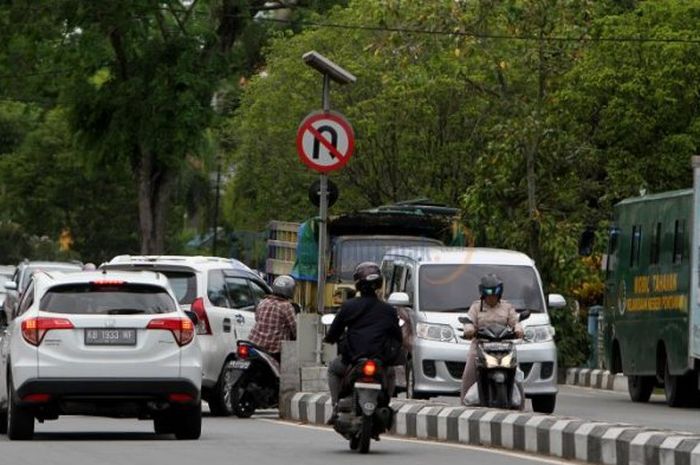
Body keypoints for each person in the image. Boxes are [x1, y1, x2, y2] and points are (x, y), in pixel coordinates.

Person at [324, 262, 403, 416]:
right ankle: (387, 403)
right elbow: (397, 337)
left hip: (353, 359)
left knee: (333, 370)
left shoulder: (349, 306)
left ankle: (335, 406)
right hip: (380, 360)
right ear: (379, 284)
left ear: (358, 284)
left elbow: (334, 332)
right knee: (391, 372)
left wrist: (329, 339)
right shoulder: (388, 310)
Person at [460, 273, 524, 402]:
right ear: (483, 294)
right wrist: (469, 330)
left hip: (504, 346)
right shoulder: (476, 307)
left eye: (494, 294)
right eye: (489, 295)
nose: (491, 298)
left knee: (518, 375)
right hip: (480, 345)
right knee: (468, 374)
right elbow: (469, 321)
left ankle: (521, 403)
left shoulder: (507, 307)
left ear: (499, 294)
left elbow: (515, 322)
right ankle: (463, 404)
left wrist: (518, 330)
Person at [247, 275, 297, 363]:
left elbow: (257, 318)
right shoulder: (286, 306)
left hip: (254, 344)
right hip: (273, 350)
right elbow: (295, 328)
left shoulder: (263, 302)